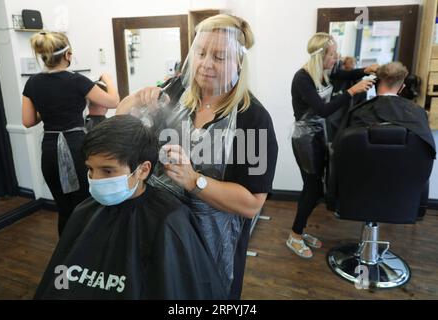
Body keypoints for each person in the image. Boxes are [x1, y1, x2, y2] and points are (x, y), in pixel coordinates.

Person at [116, 14, 278, 299]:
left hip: (211, 242)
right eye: (201, 52)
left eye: (219, 56)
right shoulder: (175, 92)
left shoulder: (253, 119)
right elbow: (122, 128)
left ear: (239, 62)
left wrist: (194, 181)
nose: (206, 64)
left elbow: (252, 203)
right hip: (158, 229)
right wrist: (136, 99)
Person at [34, 115, 227, 299]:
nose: (95, 179)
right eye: (90, 169)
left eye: (108, 170)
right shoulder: (84, 211)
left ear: (143, 170)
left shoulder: (169, 219)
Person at [288, 32, 378, 259]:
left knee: (313, 188)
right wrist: (351, 91)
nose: (336, 57)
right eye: (332, 54)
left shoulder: (324, 73)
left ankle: (300, 230)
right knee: (313, 188)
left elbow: (345, 73)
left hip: (318, 134)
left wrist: (365, 71)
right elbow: (324, 110)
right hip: (304, 139)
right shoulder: (303, 78)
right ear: (321, 55)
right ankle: (295, 235)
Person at [22, 32, 119, 236]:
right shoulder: (77, 81)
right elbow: (113, 102)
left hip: (49, 150)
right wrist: (108, 80)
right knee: (85, 205)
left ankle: (66, 255)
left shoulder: (32, 83)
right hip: (76, 148)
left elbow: (28, 121)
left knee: (64, 208)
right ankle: (87, 255)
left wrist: (49, 110)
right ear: (68, 55)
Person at [332, 62, 436, 220]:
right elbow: (426, 157)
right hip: (402, 197)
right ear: (402, 88)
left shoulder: (358, 113)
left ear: (375, 85)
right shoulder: (417, 114)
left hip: (358, 193)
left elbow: (339, 154)